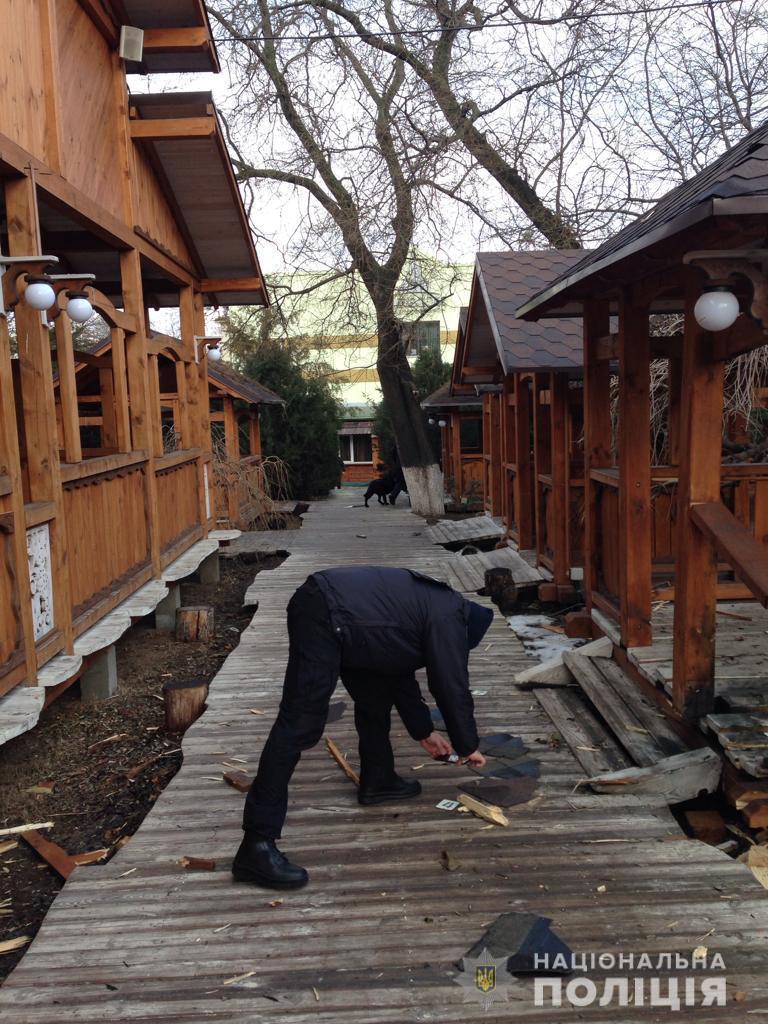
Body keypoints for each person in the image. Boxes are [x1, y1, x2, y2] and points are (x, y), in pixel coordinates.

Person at [232, 566, 493, 890]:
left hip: (345, 617)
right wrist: (468, 745)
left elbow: (399, 671)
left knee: (375, 691)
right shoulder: (448, 619)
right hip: (325, 612)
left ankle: (378, 780)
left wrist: (423, 731)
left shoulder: (435, 608)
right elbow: (451, 685)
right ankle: (255, 846)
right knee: (298, 723)